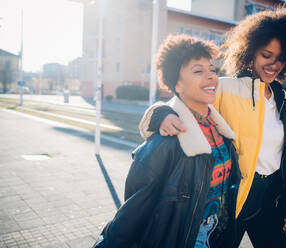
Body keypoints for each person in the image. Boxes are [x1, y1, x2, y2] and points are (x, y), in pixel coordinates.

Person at [139, 8, 286, 248]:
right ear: (252, 51)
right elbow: (184, 104)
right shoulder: (224, 88)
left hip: (271, 199)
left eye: (280, 59)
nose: (273, 64)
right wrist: (160, 114)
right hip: (230, 199)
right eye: (267, 55)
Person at [92, 34, 241, 248]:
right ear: (177, 85)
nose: (211, 77)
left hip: (219, 234)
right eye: (198, 71)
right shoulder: (166, 141)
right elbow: (132, 213)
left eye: (212, 70)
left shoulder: (221, 130)